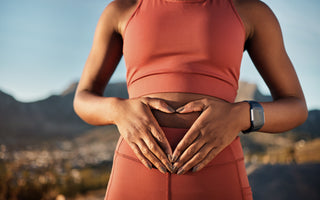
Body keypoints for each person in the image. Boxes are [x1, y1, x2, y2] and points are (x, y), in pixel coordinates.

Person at [73, 0, 308, 199]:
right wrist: (117, 110)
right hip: (134, 176)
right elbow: (83, 99)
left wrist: (241, 115)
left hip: (217, 176)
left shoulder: (250, 11)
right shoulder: (122, 9)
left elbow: (296, 106)